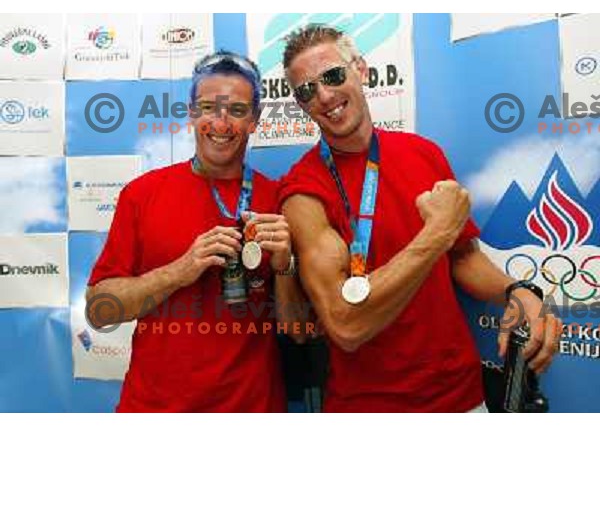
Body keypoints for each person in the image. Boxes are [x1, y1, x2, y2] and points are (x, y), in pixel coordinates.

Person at [278, 24, 563, 413]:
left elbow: (461, 257)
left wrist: (517, 291)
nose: (324, 96)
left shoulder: (423, 153)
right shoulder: (302, 192)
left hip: (462, 396)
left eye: (332, 76)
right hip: (369, 406)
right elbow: (345, 325)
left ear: (360, 69)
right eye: (307, 90)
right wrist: (436, 234)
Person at [86, 51, 308, 413]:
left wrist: (285, 265)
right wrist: (180, 270)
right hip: (156, 409)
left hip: (252, 408)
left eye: (236, 110)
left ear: (254, 120)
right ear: (191, 115)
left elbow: (298, 330)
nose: (220, 124)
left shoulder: (279, 199)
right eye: (208, 108)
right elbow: (100, 311)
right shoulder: (142, 194)